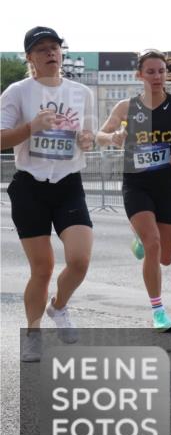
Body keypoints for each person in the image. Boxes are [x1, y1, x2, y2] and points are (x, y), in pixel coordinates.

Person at [2, 27, 97, 362]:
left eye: (55, 47)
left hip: (69, 183)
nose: (50, 53)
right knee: (42, 269)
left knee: (80, 260)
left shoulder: (81, 92)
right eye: (41, 49)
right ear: (30, 57)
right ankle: (32, 332)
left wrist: (88, 140)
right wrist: (31, 128)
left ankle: (59, 306)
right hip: (30, 186)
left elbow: (88, 133)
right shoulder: (18, 92)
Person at [96, 49, 171, 332]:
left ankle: (140, 242)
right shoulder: (125, 107)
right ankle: (158, 311)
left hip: (168, 185)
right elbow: (99, 135)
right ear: (139, 75)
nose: (157, 77)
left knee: (164, 257)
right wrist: (114, 136)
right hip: (137, 184)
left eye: (161, 71)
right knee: (153, 242)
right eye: (151, 71)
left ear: (166, 73)